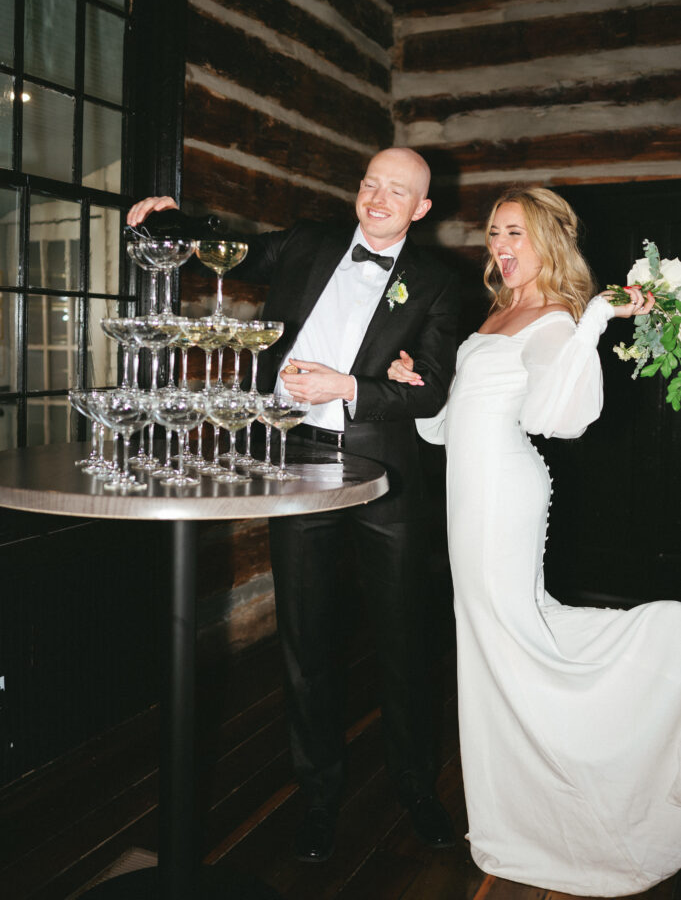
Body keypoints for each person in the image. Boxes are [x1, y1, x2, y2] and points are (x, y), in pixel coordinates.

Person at [127, 148, 460, 862]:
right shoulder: (308, 243)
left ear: (420, 208)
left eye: (396, 191)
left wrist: (348, 388)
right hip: (295, 458)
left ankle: (414, 786)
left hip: (385, 473)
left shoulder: (435, 280)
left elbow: (432, 388)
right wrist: (168, 220)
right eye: (370, 183)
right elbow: (234, 250)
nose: (377, 198)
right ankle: (317, 796)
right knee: (305, 639)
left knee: (403, 637)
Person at [388, 185, 681, 896]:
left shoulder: (551, 316)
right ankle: (523, 808)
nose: (499, 246)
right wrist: (417, 383)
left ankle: (662, 647)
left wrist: (592, 322)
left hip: (501, 495)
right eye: (493, 233)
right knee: (496, 637)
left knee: (510, 637)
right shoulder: (499, 311)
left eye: (514, 232)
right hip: (469, 490)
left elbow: (561, 415)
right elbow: (447, 424)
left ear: (548, 239)